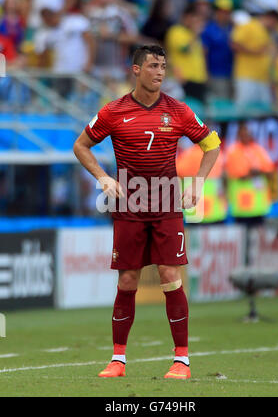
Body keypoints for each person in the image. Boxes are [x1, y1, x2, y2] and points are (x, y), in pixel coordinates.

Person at [73, 45, 221, 379]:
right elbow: (80, 145)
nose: (160, 72)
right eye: (153, 66)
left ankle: (181, 360)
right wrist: (103, 177)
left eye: (164, 66)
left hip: (168, 204)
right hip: (129, 206)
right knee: (127, 280)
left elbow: (211, 145)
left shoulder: (178, 111)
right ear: (136, 70)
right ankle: (118, 361)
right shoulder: (114, 111)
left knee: (170, 276)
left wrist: (198, 182)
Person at [225, 122, 275, 226]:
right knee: (243, 236)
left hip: (259, 206)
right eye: (243, 134)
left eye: (247, 133)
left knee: (259, 236)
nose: (246, 136)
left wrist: (257, 172)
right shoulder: (233, 151)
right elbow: (241, 176)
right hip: (242, 206)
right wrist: (259, 172)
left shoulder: (258, 150)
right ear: (238, 135)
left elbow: (270, 172)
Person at [231, 10, 278, 106]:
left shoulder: (268, 33)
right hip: (247, 77)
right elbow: (234, 44)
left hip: (263, 79)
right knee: (243, 110)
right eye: (274, 22)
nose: (274, 26)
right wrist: (255, 52)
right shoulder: (249, 26)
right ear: (270, 18)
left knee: (263, 112)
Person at [165, 3, 208, 102]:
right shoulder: (176, 31)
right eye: (193, 17)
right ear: (185, 17)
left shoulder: (194, 35)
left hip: (199, 80)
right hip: (183, 80)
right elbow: (185, 50)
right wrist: (195, 34)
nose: (195, 21)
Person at [201, 0, 234, 100]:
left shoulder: (233, 28)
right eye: (222, 11)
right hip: (215, 74)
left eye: (227, 12)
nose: (224, 14)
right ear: (216, 12)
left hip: (232, 73)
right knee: (221, 103)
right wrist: (205, 73)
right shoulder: (209, 29)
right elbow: (203, 53)